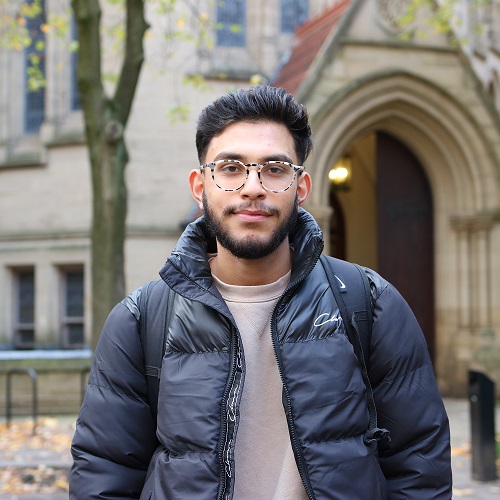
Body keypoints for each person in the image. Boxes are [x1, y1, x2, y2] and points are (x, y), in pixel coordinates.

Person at [70, 85, 452, 499]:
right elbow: (104, 474)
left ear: (301, 187)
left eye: (274, 169)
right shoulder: (142, 318)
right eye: (231, 168)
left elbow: (420, 465)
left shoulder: (370, 303)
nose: (253, 187)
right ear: (200, 185)